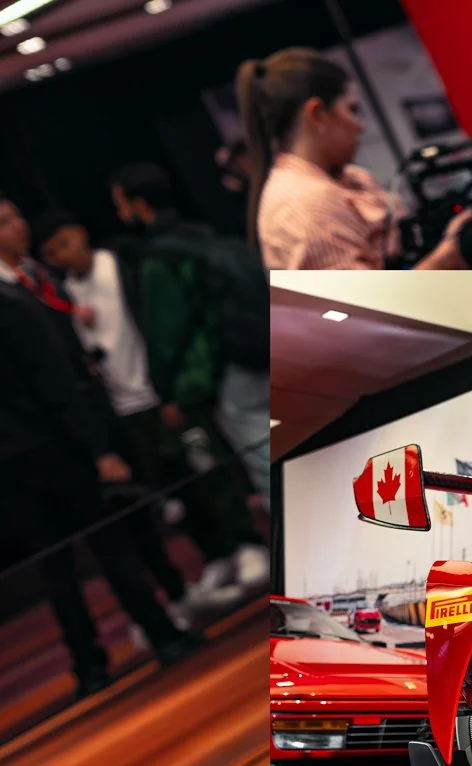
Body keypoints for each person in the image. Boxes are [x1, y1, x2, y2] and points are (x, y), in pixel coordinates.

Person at [32, 209, 245, 611]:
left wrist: (172, 389)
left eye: (64, 242)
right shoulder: (61, 295)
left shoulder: (126, 263)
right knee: (170, 489)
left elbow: (162, 326)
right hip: (124, 409)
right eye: (51, 252)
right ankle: (216, 555)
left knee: (207, 468)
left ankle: (245, 543)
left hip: (159, 391)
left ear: (79, 233)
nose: (62, 255)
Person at [0, 273, 200, 699]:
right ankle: (160, 633)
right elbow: (54, 384)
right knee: (110, 547)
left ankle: (89, 664)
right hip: (56, 449)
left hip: (12, 467)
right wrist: (96, 449)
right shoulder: (13, 305)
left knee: (55, 569)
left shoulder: (16, 301)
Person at [109, 163, 270, 592]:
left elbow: (167, 334)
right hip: (260, 352)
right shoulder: (205, 235)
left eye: (122, 202)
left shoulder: (159, 257)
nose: (120, 212)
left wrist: (169, 391)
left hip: (223, 372)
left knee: (266, 464)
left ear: (139, 205)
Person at [236, 48, 472, 271]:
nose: (361, 126)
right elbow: (363, 322)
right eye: (352, 110)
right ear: (317, 114)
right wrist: (447, 258)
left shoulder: (351, 178)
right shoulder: (304, 205)